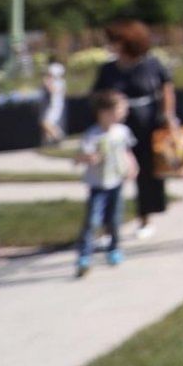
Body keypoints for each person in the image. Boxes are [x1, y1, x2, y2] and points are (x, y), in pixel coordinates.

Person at [91, 21, 177, 238]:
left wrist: (168, 116)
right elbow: (97, 96)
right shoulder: (108, 69)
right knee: (111, 172)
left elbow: (166, 88)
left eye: (115, 41)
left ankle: (145, 217)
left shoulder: (151, 64)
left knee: (147, 174)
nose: (111, 45)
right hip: (117, 126)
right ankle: (107, 226)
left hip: (147, 124)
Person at [73, 90, 135, 276]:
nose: (125, 111)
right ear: (105, 112)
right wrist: (88, 158)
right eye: (120, 108)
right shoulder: (93, 135)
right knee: (92, 221)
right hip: (98, 185)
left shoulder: (122, 132)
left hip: (116, 182)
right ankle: (84, 255)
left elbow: (127, 151)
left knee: (114, 219)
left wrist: (132, 166)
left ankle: (113, 249)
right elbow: (79, 157)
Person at [39, 61, 67, 145]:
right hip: (50, 106)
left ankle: (58, 137)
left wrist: (46, 82)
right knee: (46, 124)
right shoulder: (56, 81)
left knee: (46, 123)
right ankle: (50, 142)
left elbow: (52, 90)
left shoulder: (59, 82)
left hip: (55, 106)